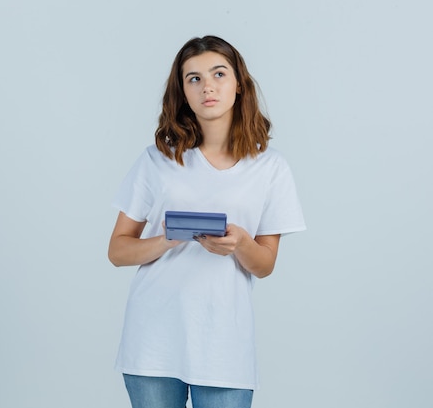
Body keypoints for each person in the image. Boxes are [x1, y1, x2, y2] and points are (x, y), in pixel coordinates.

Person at [107, 35, 306, 408]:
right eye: (193, 78)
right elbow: (117, 250)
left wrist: (241, 244)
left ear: (239, 85)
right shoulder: (157, 160)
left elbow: (265, 265)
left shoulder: (270, 167)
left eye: (218, 73)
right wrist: (167, 239)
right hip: (152, 340)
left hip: (224, 346)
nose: (207, 86)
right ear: (182, 92)